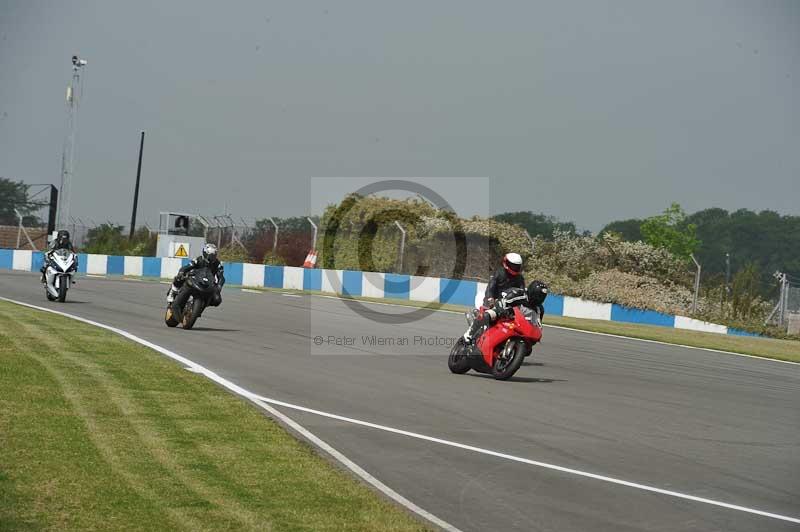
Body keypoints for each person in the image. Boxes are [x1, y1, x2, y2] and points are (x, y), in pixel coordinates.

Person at [463, 280, 549, 345]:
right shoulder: (519, 294)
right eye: (537, 295)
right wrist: (502, 309)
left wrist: (537, 334)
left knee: (528, 349)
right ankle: (469, 334)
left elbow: (538, 324)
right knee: (489, 315)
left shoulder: (539, 309)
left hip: (519, 328)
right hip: (505, 315)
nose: (539, 298)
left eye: (541, 297)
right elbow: (503, 300)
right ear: (531, 291)